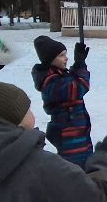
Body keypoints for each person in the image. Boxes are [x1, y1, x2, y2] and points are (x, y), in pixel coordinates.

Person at [32, 35, 93, 168]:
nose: (66, 58)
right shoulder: (51, 81)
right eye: (61, 55)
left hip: (76, 131)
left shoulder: (59, 75)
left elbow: (73, 79)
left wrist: (77, 63)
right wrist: (80, 65)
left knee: (85, 166)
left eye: (65, 54)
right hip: (68, 133)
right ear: (50, 59)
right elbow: (80, 87)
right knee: (75, 169)